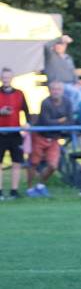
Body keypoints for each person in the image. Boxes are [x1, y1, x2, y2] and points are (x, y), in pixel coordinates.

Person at [27, 80, 72, 198]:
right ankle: (29, 188)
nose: (56, 91)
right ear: (49, 90)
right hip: (40, 136)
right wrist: (61, 121)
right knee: (34, 163)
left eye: (58, 89)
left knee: (53, 166)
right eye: (54, 89)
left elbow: (70, 120)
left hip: (54, 138)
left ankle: (40, 185)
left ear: (62, 91)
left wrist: (60, 123)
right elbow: (47, 122)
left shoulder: (67, 102)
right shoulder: (45, 102)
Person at [0, 68, 30, 200]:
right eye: (4, 77)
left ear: (12, 78)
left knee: (17, 162)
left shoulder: (19, 94)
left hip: (15, 133)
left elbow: (26, 111)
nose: (6, 80)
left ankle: (14, 190)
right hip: (1, 133)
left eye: (8, 77)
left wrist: (27, 123)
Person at [43, 35, 81, 108]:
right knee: (78, 94)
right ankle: (72, 113)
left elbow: (73, 71)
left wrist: (77, 82)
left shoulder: (68, 57)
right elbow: (46, 46)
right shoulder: (50, 56)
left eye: (62, 44)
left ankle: (77, 113)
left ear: (65, 46)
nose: (59, 46)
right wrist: (60, 39)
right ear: (54, 46)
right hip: (57, 84)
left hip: (71, 84)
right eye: (57, 44)